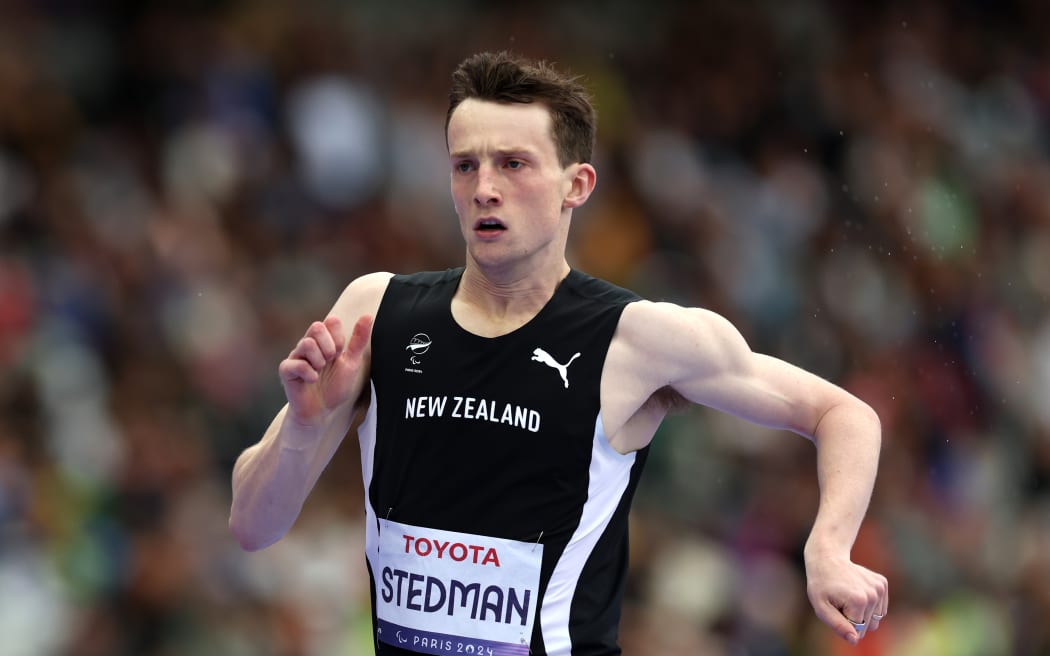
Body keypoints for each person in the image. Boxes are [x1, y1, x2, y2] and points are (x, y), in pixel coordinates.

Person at [229, 51, 888, 655]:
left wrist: (828, 549)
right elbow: (253, 528)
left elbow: (842, 414)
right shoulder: (377, 313)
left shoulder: (637, 339)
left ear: (576, 185)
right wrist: (305, 426)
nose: (484, 187)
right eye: (466, 165)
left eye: (513, 164)